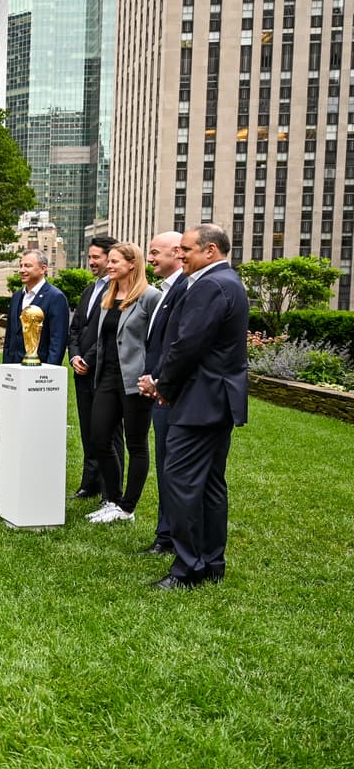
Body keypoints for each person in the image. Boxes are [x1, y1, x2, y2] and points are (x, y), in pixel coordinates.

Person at [139, 224, 248, 589]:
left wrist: (163, 385)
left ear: (211, 251)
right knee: (212, 485)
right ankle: (212, 563)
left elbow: (187, 345)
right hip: (218, 400)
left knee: (182, 482)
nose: (180, 255)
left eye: (186, 249)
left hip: (200, 401)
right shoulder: (227, 281)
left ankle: (187, 569)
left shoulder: (210, 285)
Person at [80, 243, 162, 524]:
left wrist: (152, 375)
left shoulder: (151, 297)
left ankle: (127, 507)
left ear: (132, 264)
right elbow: (103, 339)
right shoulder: (108, 294)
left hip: (135, 382)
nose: (109, 265)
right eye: (109, 261)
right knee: (99, 438)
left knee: (136, 443)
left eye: (115, 261)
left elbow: (158, 342)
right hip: (107, 377)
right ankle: (113, 500)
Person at [138, 231, 189, 556]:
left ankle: (170, 538)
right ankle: (165, 534)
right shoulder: (165, 291)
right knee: (166, 467)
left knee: (174, 469)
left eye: (156, 252)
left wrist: (159, 381)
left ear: (176, 252)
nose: (151, 258)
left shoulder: (185, 290)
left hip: (173, 395)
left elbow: (180, 346)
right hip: (159, 393)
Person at [67, 235, 121, 500]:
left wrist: (88, 359)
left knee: (108, 433)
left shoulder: (120, 291)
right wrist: (74, 356)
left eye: (96, 257)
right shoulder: (90, 289)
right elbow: (76, 327)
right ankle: (90, 484)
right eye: (90, 257)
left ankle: (111, 490)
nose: (91, 262)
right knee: (88, 429)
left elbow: (106, 336)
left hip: (103, 372)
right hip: (81, 372)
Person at [1, 250, 70, 366]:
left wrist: (49, 372)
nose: (22, 270)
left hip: (40, 370)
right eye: (21, 266)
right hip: (14, 369)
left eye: (27, 266)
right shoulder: (16, 297)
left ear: (43, 269)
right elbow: (9, 337)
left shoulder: (55, 297)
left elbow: (57, 341)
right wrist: (6, 366)